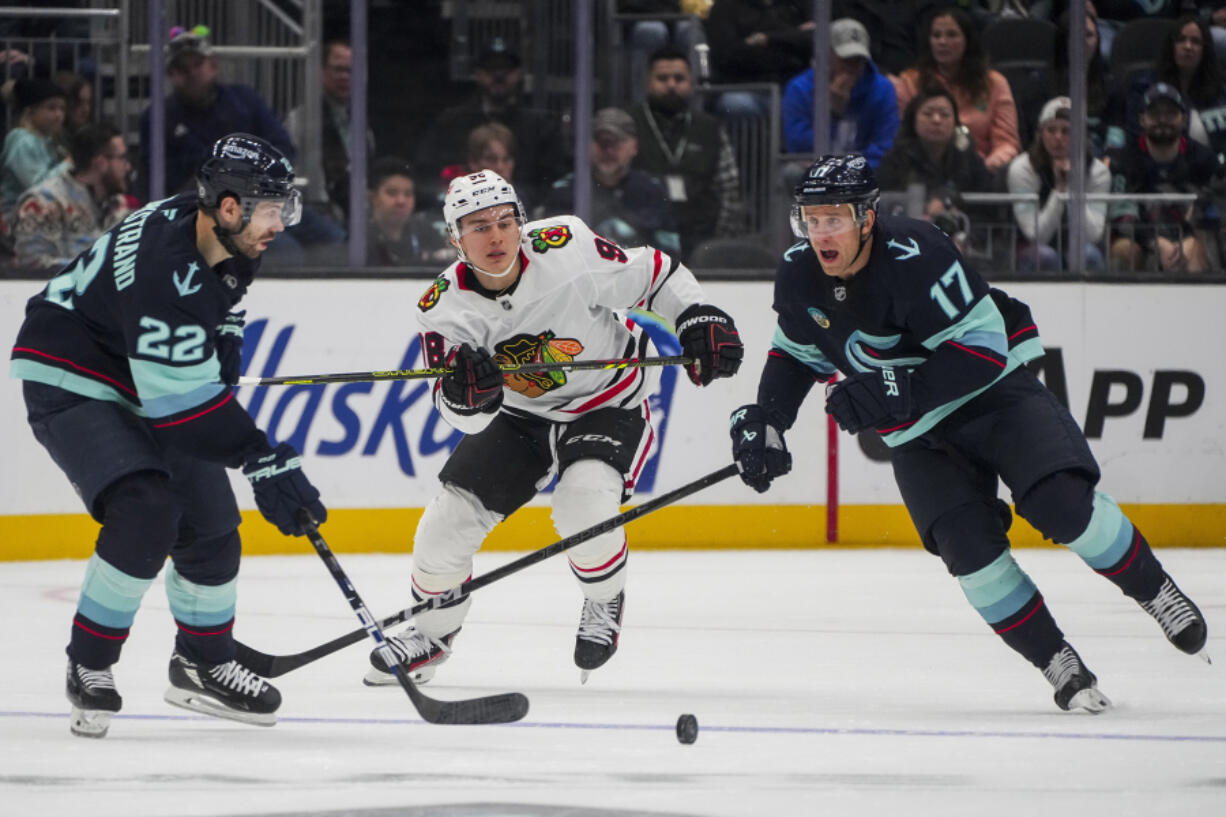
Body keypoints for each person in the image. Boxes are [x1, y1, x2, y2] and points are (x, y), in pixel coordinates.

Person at [728, 153, 1207, 714]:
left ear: (867, 217)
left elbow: (982, 352)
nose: (820, 233)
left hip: (993, 394)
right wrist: (768, 421)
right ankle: (1059, 663)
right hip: (917, 433)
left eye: (833, 218)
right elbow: (795, 353)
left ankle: (1156, 591)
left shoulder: (918, 252)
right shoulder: (799, 271)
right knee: (969, 552)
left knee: (1060, 504)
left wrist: (892, 389)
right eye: (810, 220)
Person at [364, 169, 742, 687]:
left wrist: (697, 315)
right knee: (445, 525)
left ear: (521, 221)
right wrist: (467, 397)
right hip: (521, 415)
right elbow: (456, 413)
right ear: (454, 239)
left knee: (583, 505)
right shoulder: (443, 307)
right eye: (477, 226)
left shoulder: (567, 247)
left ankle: (604, 597)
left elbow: (655, 273)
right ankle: (430, 635)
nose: (496, 236)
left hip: (607, 400)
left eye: (504, 221)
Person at [9, 133, 328, 738]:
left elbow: (226, 300)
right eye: (272, 210)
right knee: (147, 507)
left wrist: (225, 341)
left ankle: (203, 662)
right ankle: (91, 663)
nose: (280, 225)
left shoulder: (220, 228)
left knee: (212, 524)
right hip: (71, 374)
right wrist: (265, 461)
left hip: (134, 369)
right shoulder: (165, 270)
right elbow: (184, 412)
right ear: (230, 205)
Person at [139, 27, 295, 197]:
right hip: (187, 209)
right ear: (170, 74)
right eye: (182, 68)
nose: (191, 73)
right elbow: (151, 177)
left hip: (252, 200)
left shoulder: (246, 102)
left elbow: (282, 149)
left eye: (198, 64)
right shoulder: (157, 117)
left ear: (213, 66)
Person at [414, 37, 567, 206]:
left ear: (518, 74)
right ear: (478, 74)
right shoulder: (451, 123)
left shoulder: (540, 126)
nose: (499, 75)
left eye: (506, 69)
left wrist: (518, 201)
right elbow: (428, 174)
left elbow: (552, 181)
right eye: (491, 69)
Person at [629, 45, 745, 260]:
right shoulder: (630, 124)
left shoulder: (709, 127)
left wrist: (717, 244)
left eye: (679, 78)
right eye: (662, 78)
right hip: (642, 241)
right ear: (647, 83)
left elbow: (729, 190)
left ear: (691, 83)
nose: (671, 84)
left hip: (701, 239)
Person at [1107, 83, 1224, 274]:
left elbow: (1215, 210)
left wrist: (1190, 237)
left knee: (1196, 249)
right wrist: (1155, 242)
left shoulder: (1204, 159)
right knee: (1123, 250)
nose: (1162, 119)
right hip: (1142, 240)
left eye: (1170, 113)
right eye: (1155, 114)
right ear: (1142, 120)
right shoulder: (1125, 160)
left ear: (1184, 119)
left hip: (1189, 237)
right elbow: (1122, 217)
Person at [892, 7, 1022, 174]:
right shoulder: (909, 81)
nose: (943, 42)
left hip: (981, 172)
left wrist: (986, 168)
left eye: (951, 35)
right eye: (936, 35)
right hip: (923, 173)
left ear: (967, 40)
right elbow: (902, 139)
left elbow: (1007, 143)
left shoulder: (995, 83)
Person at [539, 108, 681, 257]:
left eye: (616, 143)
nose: (608, 151)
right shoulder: (565, 191)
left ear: (635, 147)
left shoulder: (652, 191)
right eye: (601, 143)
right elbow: (551, 254)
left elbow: (670, 254)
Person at [1006, 96, 1111, 274]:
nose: (1058, 138)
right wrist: (1060, 189)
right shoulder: (1022, 169)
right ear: (1040, 133)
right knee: (1046, 257)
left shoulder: (1097, 171)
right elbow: (1037, 235)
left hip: (1080, 245)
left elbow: (1093, 235)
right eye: (1051, 130)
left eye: (1066, 131)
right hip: (1033, 248)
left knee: (1088, 256)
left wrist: (1072, 187)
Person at [13, 120, 134, 273]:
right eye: (122, 158)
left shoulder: (118, 205)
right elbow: (31, 264)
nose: (128, 166)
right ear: (101, 162)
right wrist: (96, 269)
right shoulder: (42, 202)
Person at [781, 18, 899, 167]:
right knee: (792, 171)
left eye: (858, 59)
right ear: (827, 54)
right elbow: (798, 147)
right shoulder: (800, 89)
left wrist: (853, 171)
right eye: (846, 59)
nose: (852, 66)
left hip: (863, 171)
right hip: (817, 168)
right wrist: (833, 115)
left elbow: (885, 145)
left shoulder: (883, 89)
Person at [283, 38, 373, 225]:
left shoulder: (362, 122)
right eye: (339, 69)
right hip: (313, 211)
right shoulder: (301, 119)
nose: (345, 77)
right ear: (322, 72)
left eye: (351, 71)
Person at [1114, 15, 1226, 158]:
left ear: (1205, 49)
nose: (1188, 46)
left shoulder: (1220, 91)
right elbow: (1136, 136)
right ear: (1171, 46)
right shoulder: (1143, 86)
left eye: (1196, 42)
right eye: (1181, 40)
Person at [702, 0, 814, 119]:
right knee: (736, 104)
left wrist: (768, 38)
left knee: (818, 104)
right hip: (746, 88)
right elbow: (727, 55)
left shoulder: (794, 5)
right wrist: (790, 40)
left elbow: (813, 38)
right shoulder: (725, 7)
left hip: (791, 88)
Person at [0, 77, 68, 231]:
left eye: (62, 109)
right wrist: (69, 163)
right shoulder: (21, 141)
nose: (59, 115)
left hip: (43, 214)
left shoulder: (49, 140)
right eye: (51, 108)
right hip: (16, 219)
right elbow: (38, 186)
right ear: (30, 112)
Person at [365, 155, 448, 266]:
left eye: (408, 194)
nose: (401, 201)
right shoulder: (361, 239)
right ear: (373, 197)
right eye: (392, 192)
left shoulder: (426, 233)